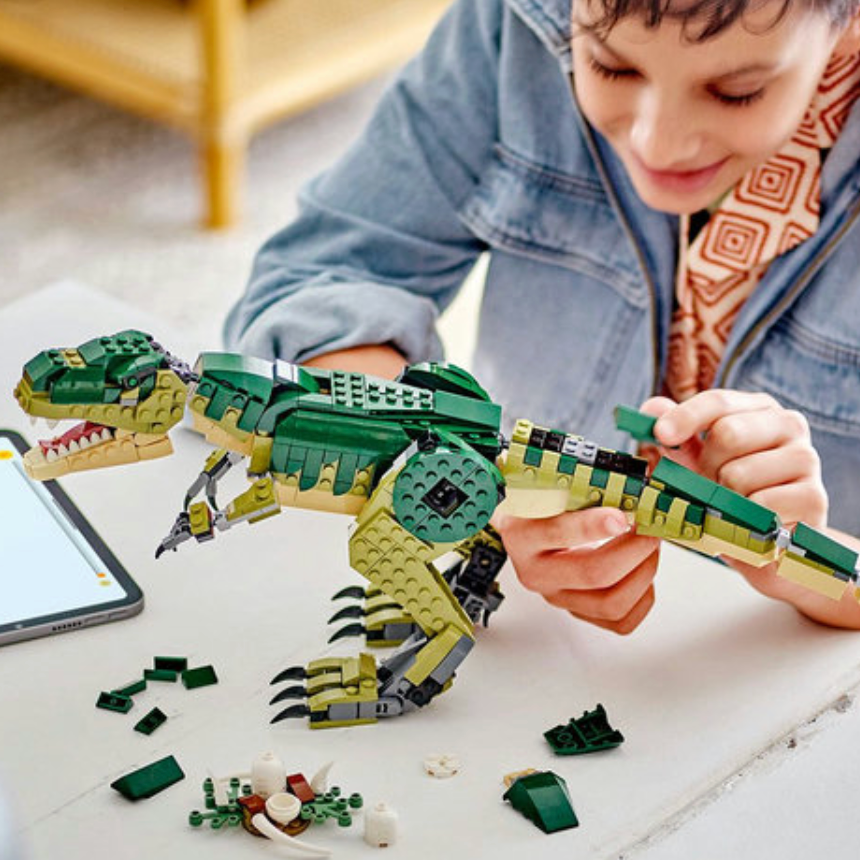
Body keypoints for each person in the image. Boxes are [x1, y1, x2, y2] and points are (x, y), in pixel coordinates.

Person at [224, 0, 860, 633]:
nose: (658, 144)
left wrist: (804, 560)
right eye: (611, 67)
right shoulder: (517, 22)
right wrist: (463, 478)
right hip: (529, 633)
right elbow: (316, 282)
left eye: (736, 91)